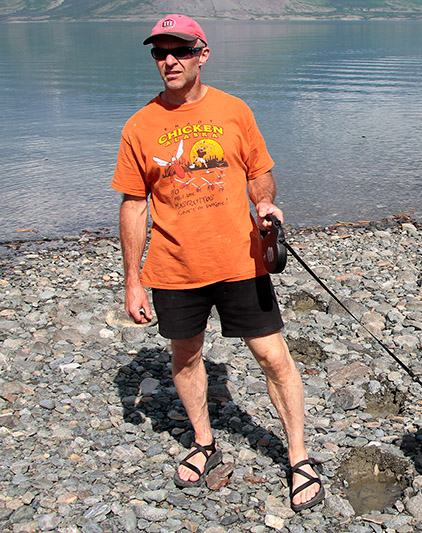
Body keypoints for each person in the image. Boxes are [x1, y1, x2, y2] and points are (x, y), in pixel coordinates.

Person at [111, 14, 324, 512]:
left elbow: (260, 173)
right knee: (185, 357)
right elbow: (134, 204)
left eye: (180, 50)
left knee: (273, 357)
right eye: (160, 52)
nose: (169, 61)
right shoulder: (140, 125)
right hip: (173, 268)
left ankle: (298, 456)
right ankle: (204, 443)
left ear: (202, 54)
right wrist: (132, 281)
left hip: (241, 261)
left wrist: (265, 203)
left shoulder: (233, 110)